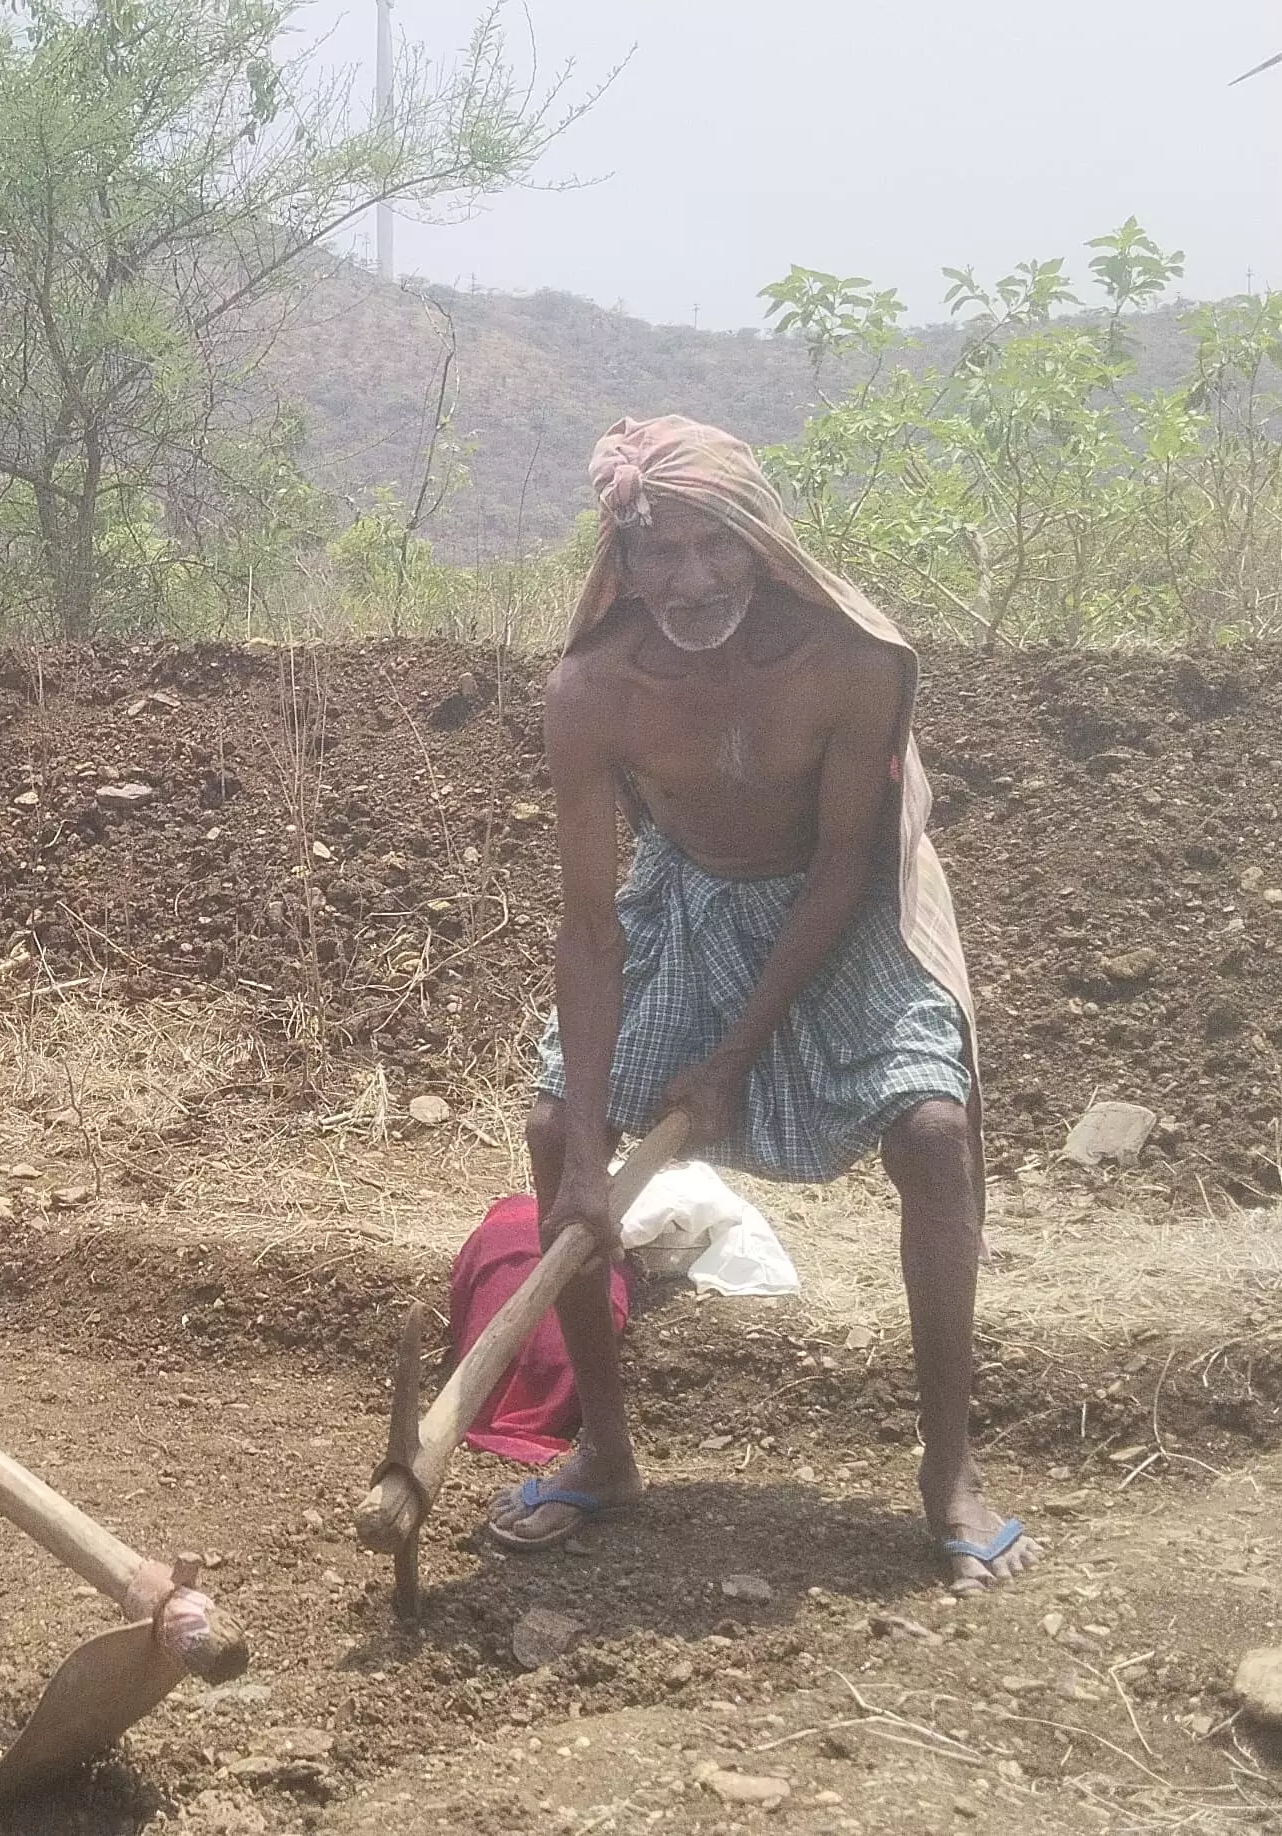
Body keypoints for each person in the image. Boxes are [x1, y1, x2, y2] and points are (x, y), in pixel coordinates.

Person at [486, 416, 1039, 1594]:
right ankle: (607, 1452)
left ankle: (949, 1473)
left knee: (936, 1136)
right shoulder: (592, 690)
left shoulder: (854, 662)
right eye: (659, 555)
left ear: (760, 538)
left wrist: (734, 1056)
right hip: (685, 899)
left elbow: (844, 866)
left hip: (847, 905)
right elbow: (591, 924)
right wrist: (588, 1155)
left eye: (713, 547)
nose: (690, 581)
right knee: (550, 1134)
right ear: (620, 567)